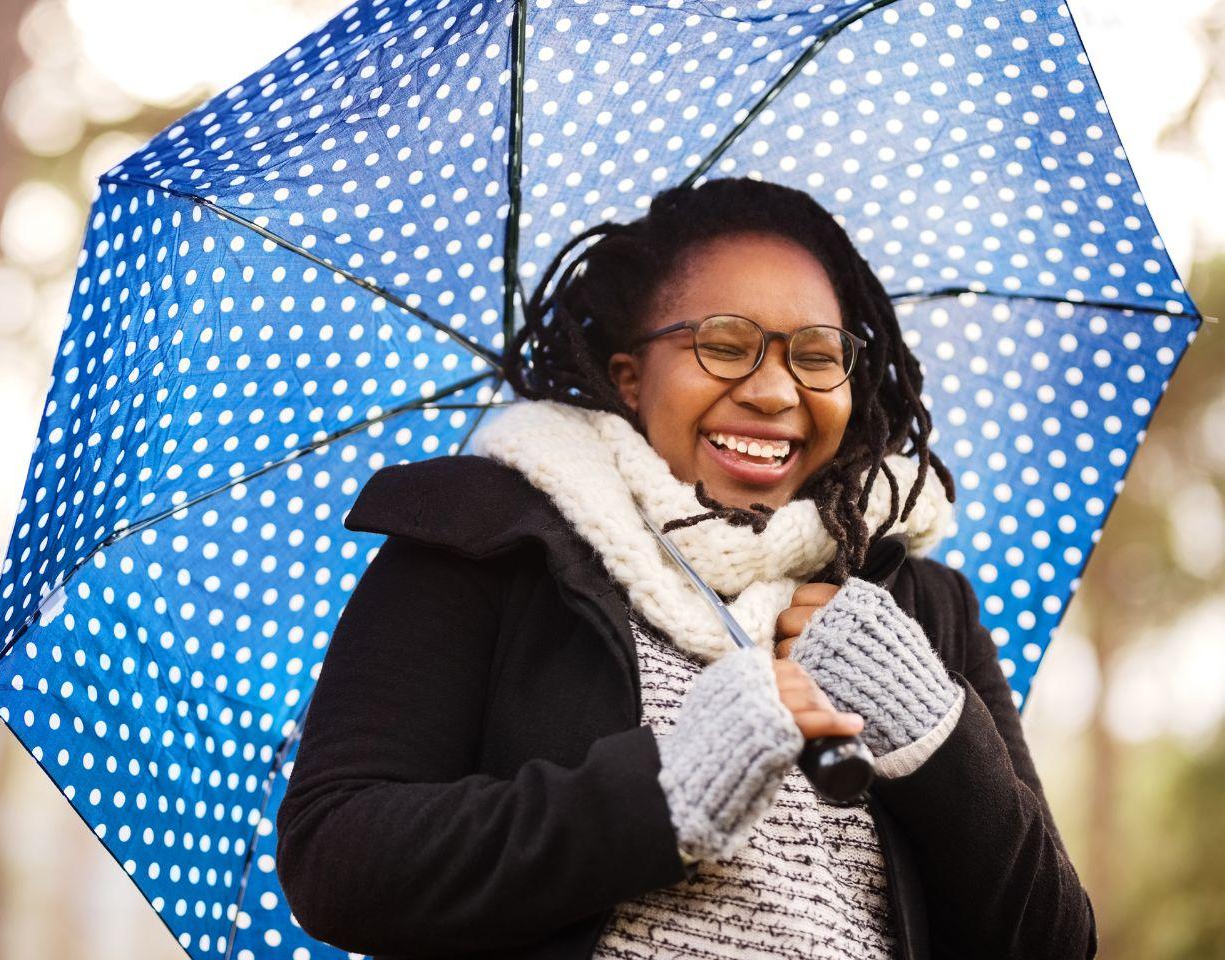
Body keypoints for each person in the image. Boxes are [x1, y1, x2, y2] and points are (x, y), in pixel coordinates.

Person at [274, 177, 1096, 959]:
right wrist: (667, 789)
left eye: (817, 356)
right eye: (725, 345)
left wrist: (931, 733)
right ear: (631, 379)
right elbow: (337, 857)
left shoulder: (916, 600)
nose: (776, 393)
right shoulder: (488, 535)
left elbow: (1052, 940)